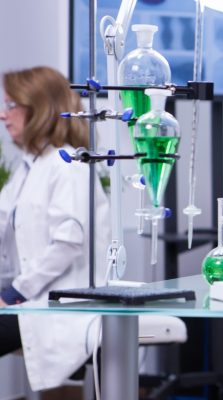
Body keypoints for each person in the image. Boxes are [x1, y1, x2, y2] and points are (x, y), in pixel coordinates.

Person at [0, 66, 109, 391]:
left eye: (10, 106)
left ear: (39, 109)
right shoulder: (29, 168)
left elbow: (67, 242)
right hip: (30, 299)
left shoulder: (69, 165)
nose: (3, 116)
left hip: (57, 305)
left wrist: (15, 291)